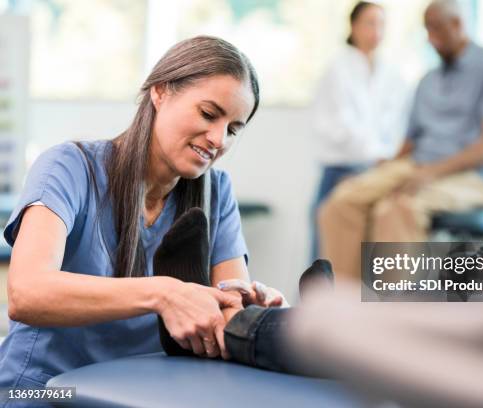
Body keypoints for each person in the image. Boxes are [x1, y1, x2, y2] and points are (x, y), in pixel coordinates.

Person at [0, 36, 285, 401]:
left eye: (232, 129)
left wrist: (251, 313)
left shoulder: (216, 192)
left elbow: (223, 317)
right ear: (161, 92)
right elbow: (27, 294)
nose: (218, 140)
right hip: (45, 392)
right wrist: (164, 293)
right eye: (209, 114)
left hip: (139, 396)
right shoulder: (69, 167)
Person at [318, 0, 483, 280]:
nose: (430, 39)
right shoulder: (428, 80)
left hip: (481, 175)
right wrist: (380, 172)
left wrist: (430, 173)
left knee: (396, 209)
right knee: (341, 202)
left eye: (436, 29)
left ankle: (396, 315)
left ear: (458, 25)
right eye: (427, 30)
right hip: (420, 164)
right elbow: (410, 144)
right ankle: (344, 310)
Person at [310, 1, 410, 260]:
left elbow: (395, 121)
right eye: (369, 23)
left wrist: (389, 156)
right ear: (353, 26)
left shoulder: (389, 72)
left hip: (376, 173)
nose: (376, 31)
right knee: (328, 257)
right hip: (341, 171)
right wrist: (377, 154)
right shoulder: (338, 68)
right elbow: (342, 126)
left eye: (381, 24)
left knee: (363, 256)